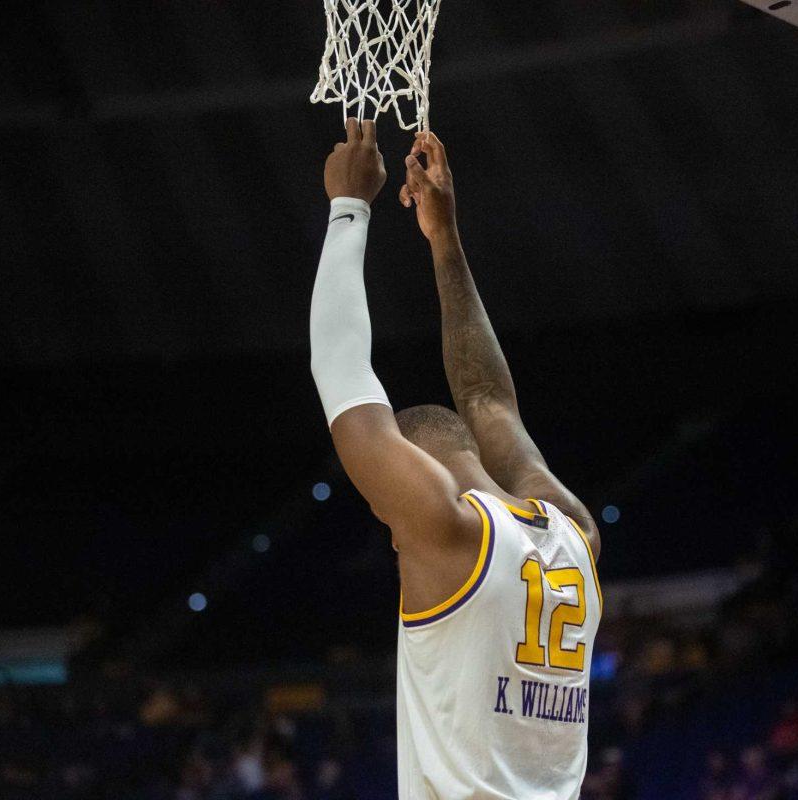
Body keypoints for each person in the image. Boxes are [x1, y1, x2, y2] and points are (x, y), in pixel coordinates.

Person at [309, 119, 603, 799]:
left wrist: (348, 206)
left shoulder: (448, 529)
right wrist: (444, 239)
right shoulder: (572, 533)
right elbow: (488, 398)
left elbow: (340, 366)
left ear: (416, 469)